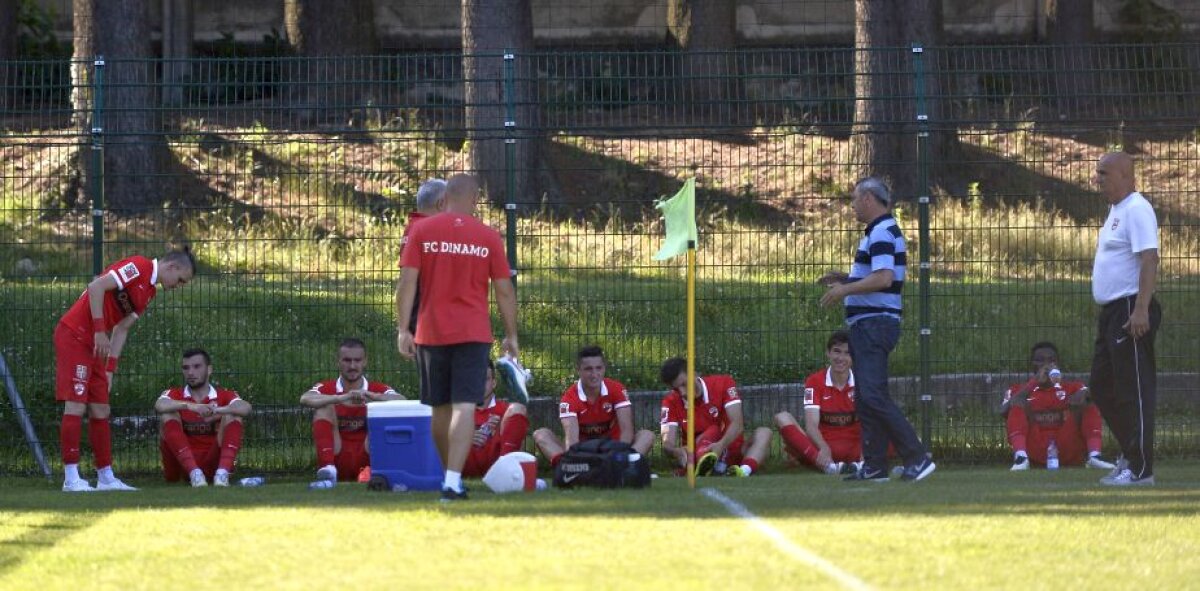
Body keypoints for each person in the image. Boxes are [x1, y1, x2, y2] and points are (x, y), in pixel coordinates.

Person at [396, 173, 519, 502]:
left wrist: (402, 329)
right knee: (465, 405)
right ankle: (452, 479)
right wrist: (511, 335)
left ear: (444, 198)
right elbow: (504, 291)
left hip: (430, 331)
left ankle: (450, 475)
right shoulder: (488, 236)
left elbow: (407, 283)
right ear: (475, 200)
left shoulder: (421, 231)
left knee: (439, 407)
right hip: (473, 331)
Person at [819, 177, 934, 482]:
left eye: (855, 199)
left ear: (869, 199)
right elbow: (881, 277)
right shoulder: (879, 232)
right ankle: (874, 466)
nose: (853, 205)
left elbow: (884, 279)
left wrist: (844, 291)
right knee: (867, 397)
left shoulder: (882, 231)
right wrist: (845, 278)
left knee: (872, 394)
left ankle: (917, 456)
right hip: (868, 323)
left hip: (874, 323)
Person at [55, 248, 197, 492]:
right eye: (181, 280)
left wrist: (110, 368)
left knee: (101, 408)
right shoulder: (138, 267)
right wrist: (100, 330)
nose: (179, 285)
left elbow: (122, 328)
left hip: (95, 344)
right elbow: (96, 287)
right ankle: (71, 478)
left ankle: (106, 477)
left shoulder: (150, 291)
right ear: (172, 267)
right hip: (76, 335)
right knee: (76, 404)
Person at [1089, 152, 1161, 486]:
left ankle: (1141, 468)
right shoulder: (1115, 212)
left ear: (1125, 175)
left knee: (1134, 389)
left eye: (1104, 173)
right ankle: (1130, 453)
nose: (1098, 179)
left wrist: (1141, 309)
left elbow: (1149, 259)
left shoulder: (1137, 209)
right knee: (1103, 387)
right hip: (1111, 312)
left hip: (1131, 308)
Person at [300, 338, 405, 484]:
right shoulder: (327, 387)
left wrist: (374, 397)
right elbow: (305, 398)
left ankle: (374, 471)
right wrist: (340, 398)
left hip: (368, 457)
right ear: (338, 361)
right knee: (323, 408)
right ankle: (328, 468)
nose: (352, 366)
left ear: (365, 361)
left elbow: (403, 400)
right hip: (337, 455)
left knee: (384, 409)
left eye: (357, 360)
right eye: (347, 360)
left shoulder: (377, 389)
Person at [532, 346, 655, 467]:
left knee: (647, 435)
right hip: (583, 453)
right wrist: (580, 458)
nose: (594, 374)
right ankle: (570, 469)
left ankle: (620, 467)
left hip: (614, 450)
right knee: (541, 434)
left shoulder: (617, 389)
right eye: (588, 369)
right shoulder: (569, 399)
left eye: (598, 368)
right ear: (578, 370)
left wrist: (616, 456)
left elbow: (627, 431)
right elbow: (572, 441)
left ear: (604, 369)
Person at [1001, 341, 1115, 471]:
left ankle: (1095, 456)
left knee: (1089, 402)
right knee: (1017, 402)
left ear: (1058, 365)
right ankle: (1021, 458)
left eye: (1051, 361)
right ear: (1031, 364)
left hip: (1068, 445)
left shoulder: (1072, 387)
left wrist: (1084, 395)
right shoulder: (1018, 390)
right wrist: (1034, 382)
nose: (1046, 365)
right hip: (1035, 447)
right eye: (1040, 361)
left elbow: (1095, 393)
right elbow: (1003, 411)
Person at [658, 357, 772, 477]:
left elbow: (737, 424)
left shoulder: (723, 383)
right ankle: (706, 466)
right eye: (676, 389)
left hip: (731, 450)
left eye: (684, 384)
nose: (682, 393)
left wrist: (721, 445)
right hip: (699, 454)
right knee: (712, 432)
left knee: (764, 432)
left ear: (693, 373)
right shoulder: (670, 401)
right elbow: (667, 442)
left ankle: (742, 471)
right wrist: (676, 452)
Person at [155, 348, 252, 487]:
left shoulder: (223, 395)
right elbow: (159, 405)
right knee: (168, 413)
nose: (190, 372)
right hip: (181, 466)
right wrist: (192, 407)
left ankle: (222, 475)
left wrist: (217, 411)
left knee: (233, 414)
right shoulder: (175, 394)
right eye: (186, 368)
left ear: (209, 369)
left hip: (213, 462)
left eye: (197, 366)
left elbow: (246, 408)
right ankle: (194, 473)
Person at [775, 330, 861, 476]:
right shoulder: (814, 381)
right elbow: (811, 425)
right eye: (837, 351)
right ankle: (829, 467)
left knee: (892, 423)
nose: (841, 358)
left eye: (847, 353)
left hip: (856, 448)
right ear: (828, 353)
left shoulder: (863, 381)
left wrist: (866, 450)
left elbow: (871, 423)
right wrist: (824, 448)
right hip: (824, 450)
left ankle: (861, 464)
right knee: (782, 417)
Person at [395, 178, 448, 335]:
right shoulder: (431, 230)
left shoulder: (413, 227)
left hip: (415, 308)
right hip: (431, 312)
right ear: (441, 204)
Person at [463, 360, 530, 478]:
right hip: (464, 468)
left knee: (517, 408)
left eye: (485, 379)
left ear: (494, 383)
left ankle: (505, 474)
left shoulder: (506, 411)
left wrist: (504, 429)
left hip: (497, 466)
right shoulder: (459, 410)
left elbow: (521, 448)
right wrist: (466, 438)